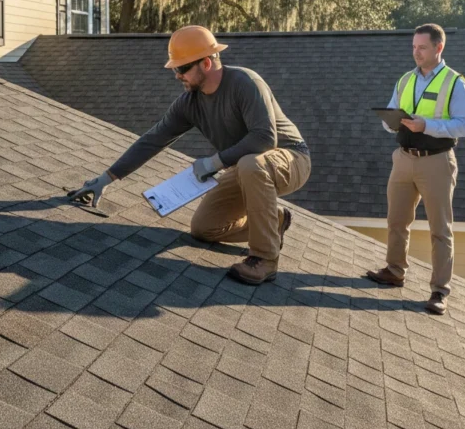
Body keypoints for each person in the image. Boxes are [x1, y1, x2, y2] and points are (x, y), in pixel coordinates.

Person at [65, 25, 311, 285]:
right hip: (245, 169)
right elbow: (152, 140)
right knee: (204, 228)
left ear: (206, 63)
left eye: (181, 69)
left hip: (290, 159)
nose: (177, 76)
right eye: (174, 69)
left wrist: (214, 162)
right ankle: (276, 220)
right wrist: (106, 178)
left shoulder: (245, 83)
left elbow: (263, 138)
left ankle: (265, 259)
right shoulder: (189, 103)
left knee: (251, 163)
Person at [366, 23, 465, 315]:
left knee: (440, 229)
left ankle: (439, 291)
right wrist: (391, 122)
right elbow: (389, 116)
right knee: (396, 219)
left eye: (422, 47)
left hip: (437, 160)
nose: (416, 52)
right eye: (414, 47)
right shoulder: (404, 80)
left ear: (439, 48)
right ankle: (394, 270)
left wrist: (427, 125)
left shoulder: (455, 82)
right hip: (403, 157)